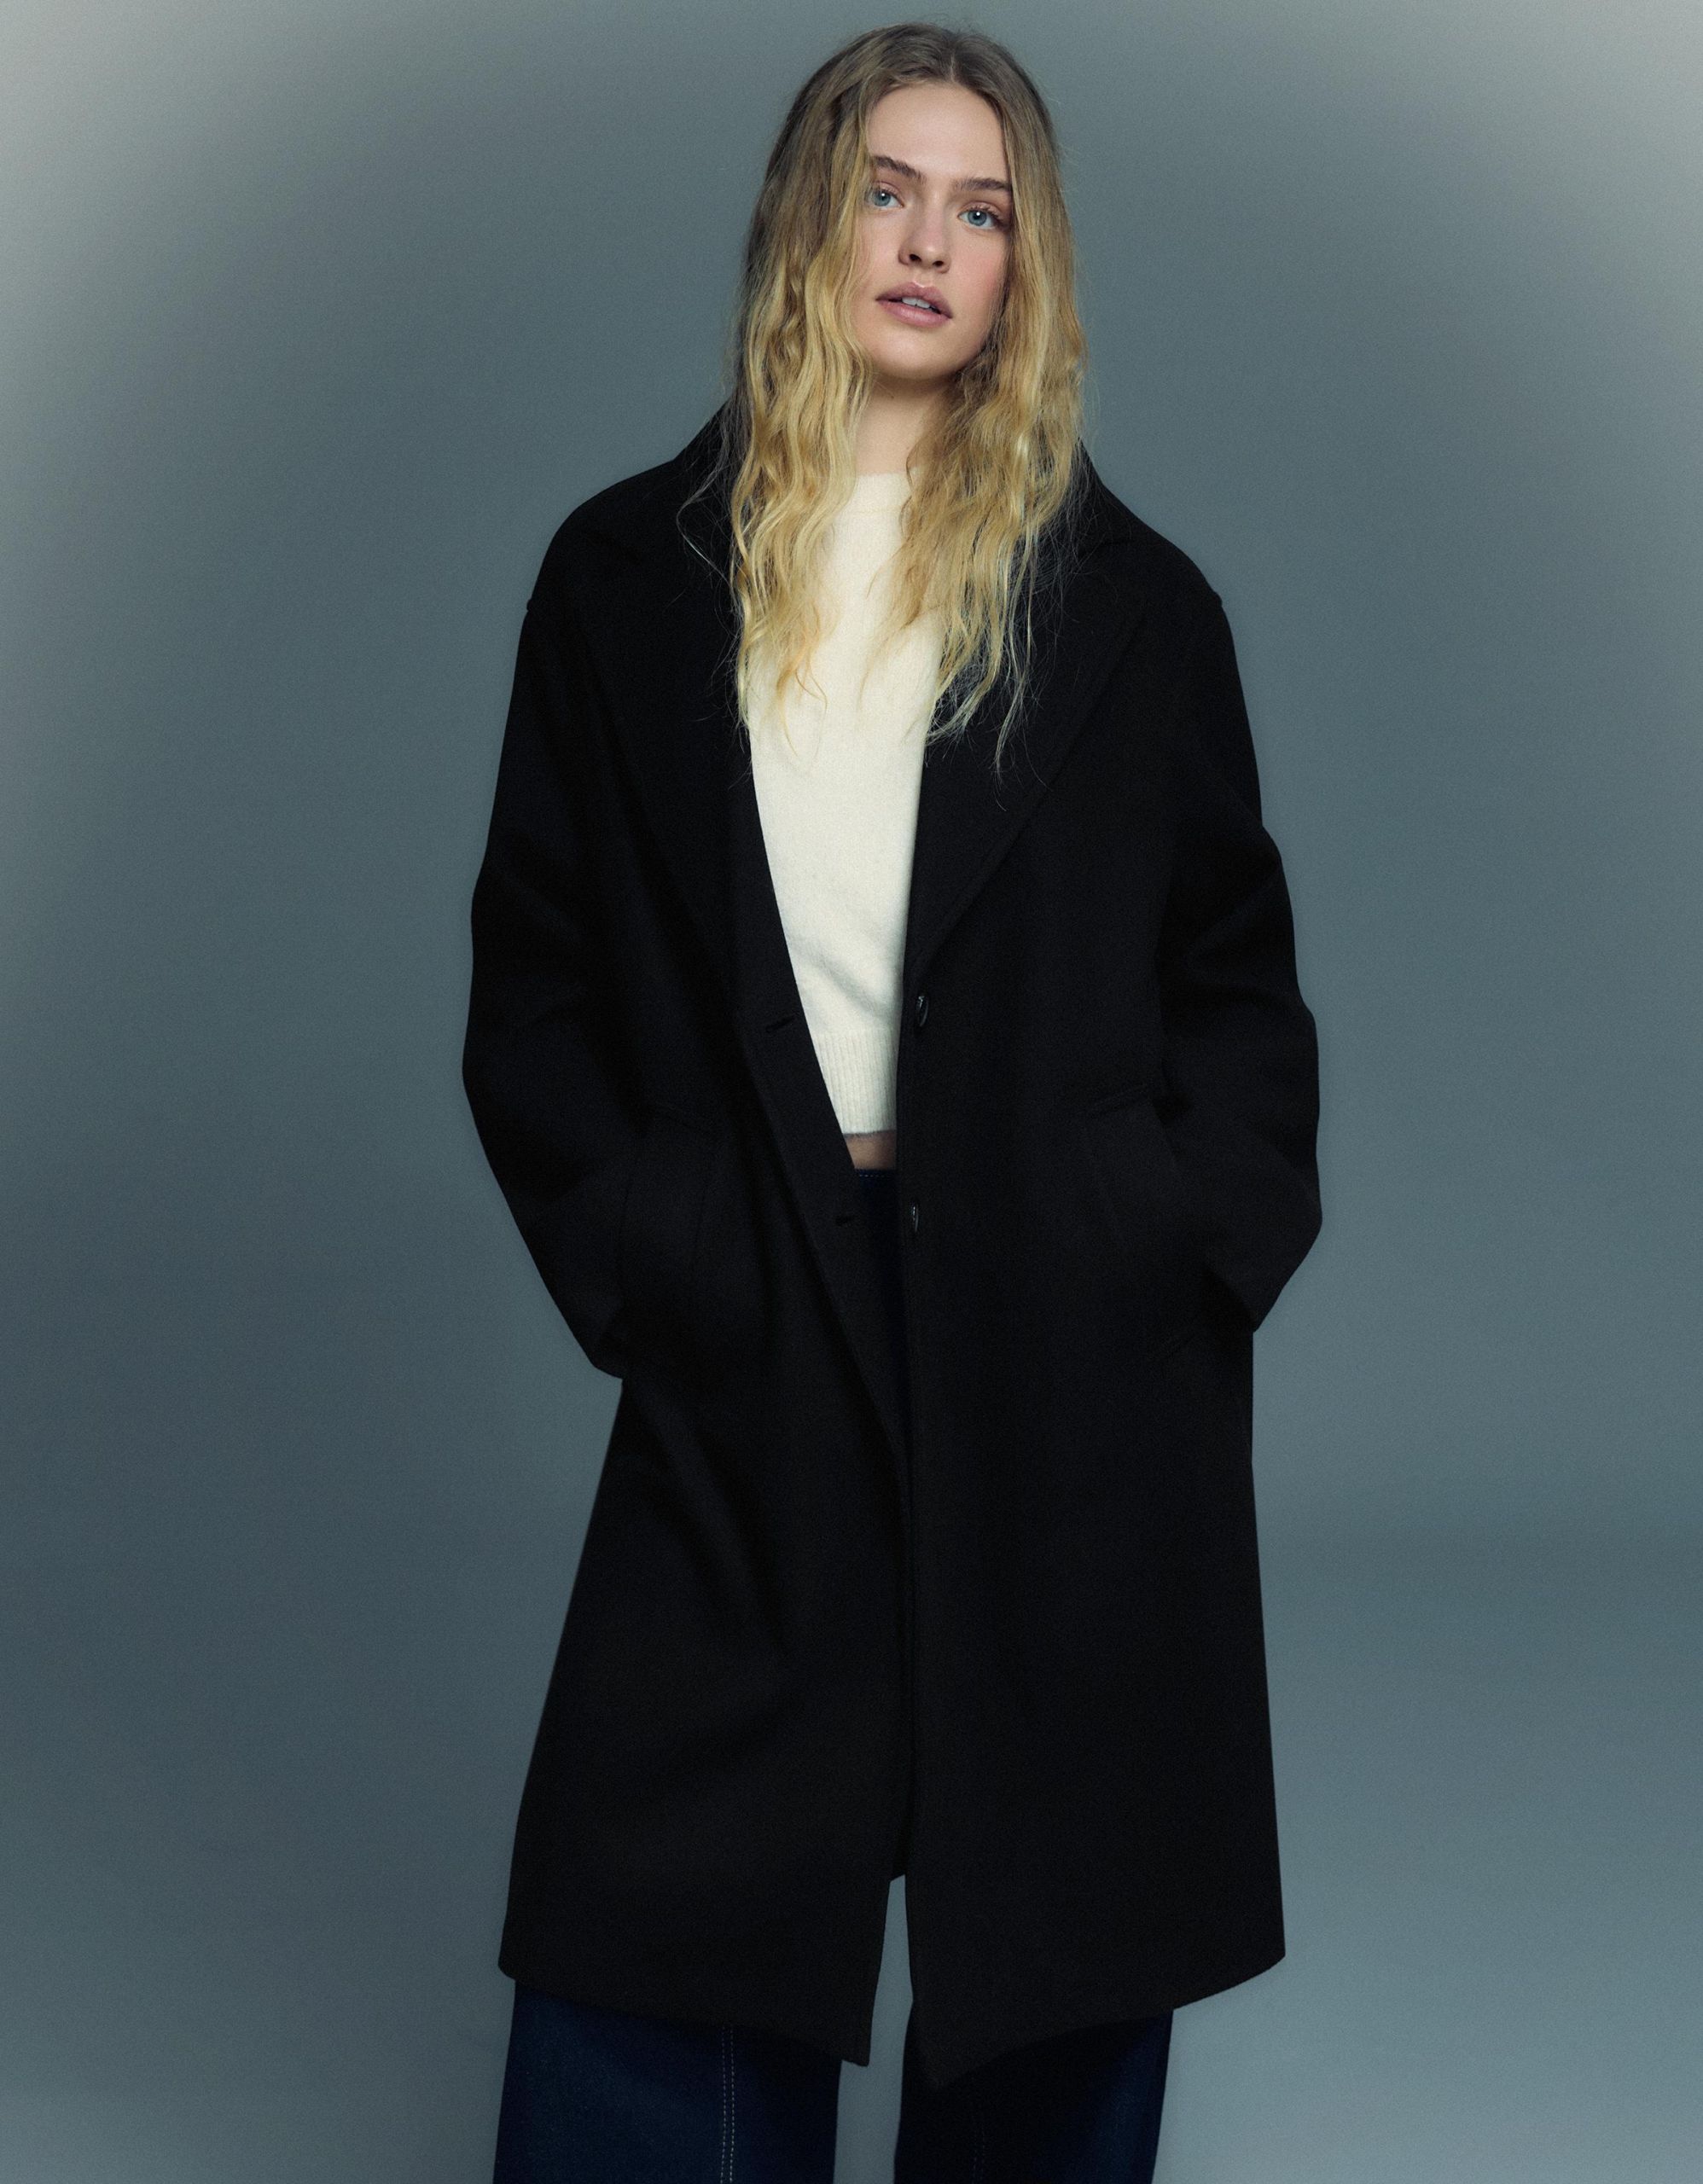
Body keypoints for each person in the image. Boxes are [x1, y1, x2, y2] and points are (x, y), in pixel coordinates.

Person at [462, 21, 1322, 2182]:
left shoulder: (1129, 613)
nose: (930, 241)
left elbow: (1235, 991)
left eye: (982, 208)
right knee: (670, 1901)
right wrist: (650, 1244)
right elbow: (534, 986)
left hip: (1057, 1312)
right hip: (756, 1280)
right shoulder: (619, 584)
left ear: (1024, 268)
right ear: (807, 220)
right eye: (887, 189)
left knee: (1056, 1908)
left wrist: (1168, 1241)